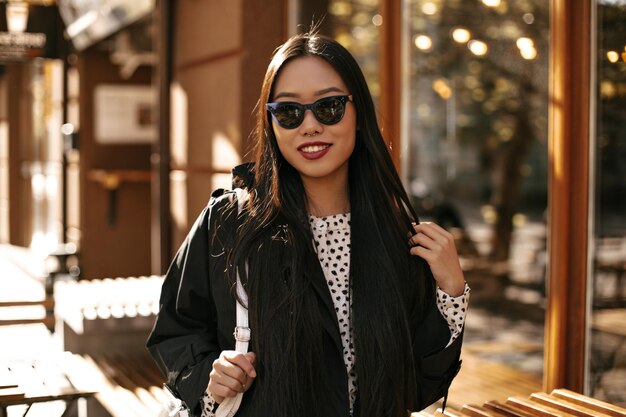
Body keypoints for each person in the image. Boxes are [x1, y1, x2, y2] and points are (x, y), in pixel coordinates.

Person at [147, 30, 470, 417]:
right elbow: (176, 330)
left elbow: (416, 389)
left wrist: (452, 291)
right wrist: (208, 377)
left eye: (329, 106)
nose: (310, 126)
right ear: (271, 124)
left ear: (358, 112)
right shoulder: (230, 223)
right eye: (289, 112)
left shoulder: (396, 234)